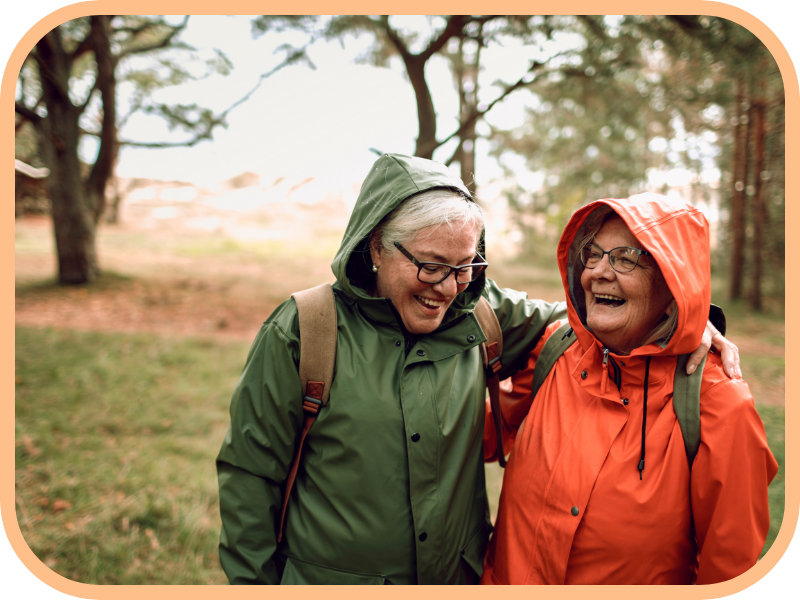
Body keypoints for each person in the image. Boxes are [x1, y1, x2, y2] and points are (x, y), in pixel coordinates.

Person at [216, 154, 738, 585]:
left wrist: (688, 321)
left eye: (465, 267)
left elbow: (590, 320)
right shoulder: (304, 330)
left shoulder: (482, 313)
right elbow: (250, 474)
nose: (447, 287)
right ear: (375, 245)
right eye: (430, 266)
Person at [480, 193, 777, 585]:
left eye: (624, 257)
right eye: (594, 254)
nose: (599, 272)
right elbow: (478, 436)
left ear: (675, 284)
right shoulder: (556, 348)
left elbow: (731, 575)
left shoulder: (719, 405)